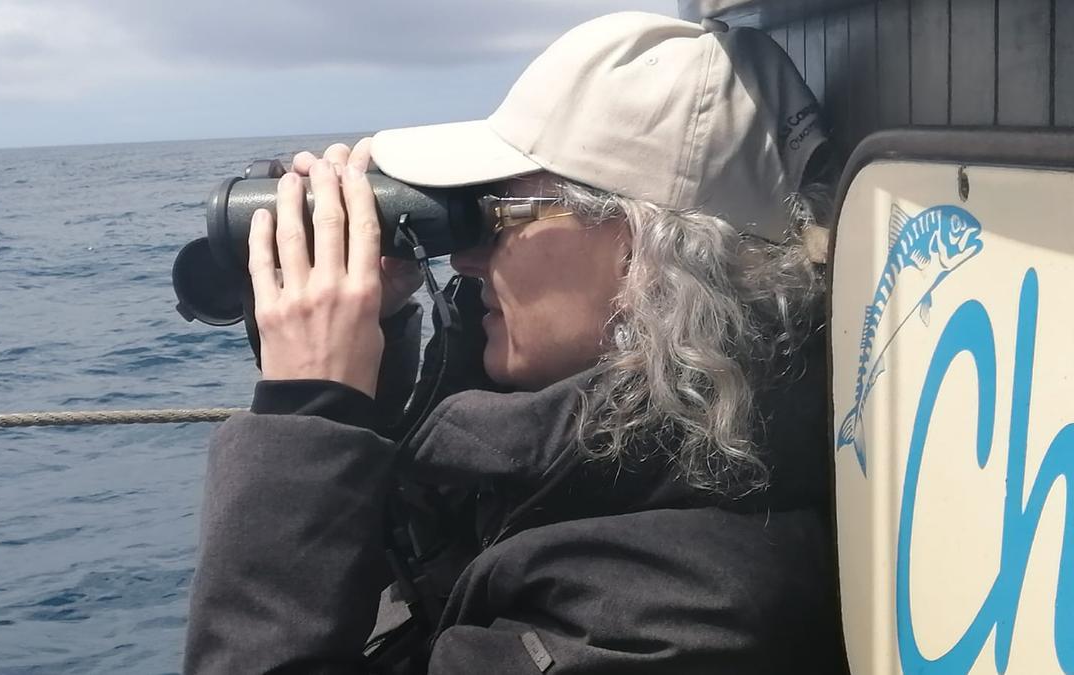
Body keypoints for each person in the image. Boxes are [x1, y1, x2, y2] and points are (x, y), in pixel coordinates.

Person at [184, 11, 844, 674]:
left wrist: (312, 414)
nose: (466, 262)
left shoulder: (671, 616)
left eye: (496, 216)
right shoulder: (607, 476)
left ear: (640, 250)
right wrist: (370, 373)